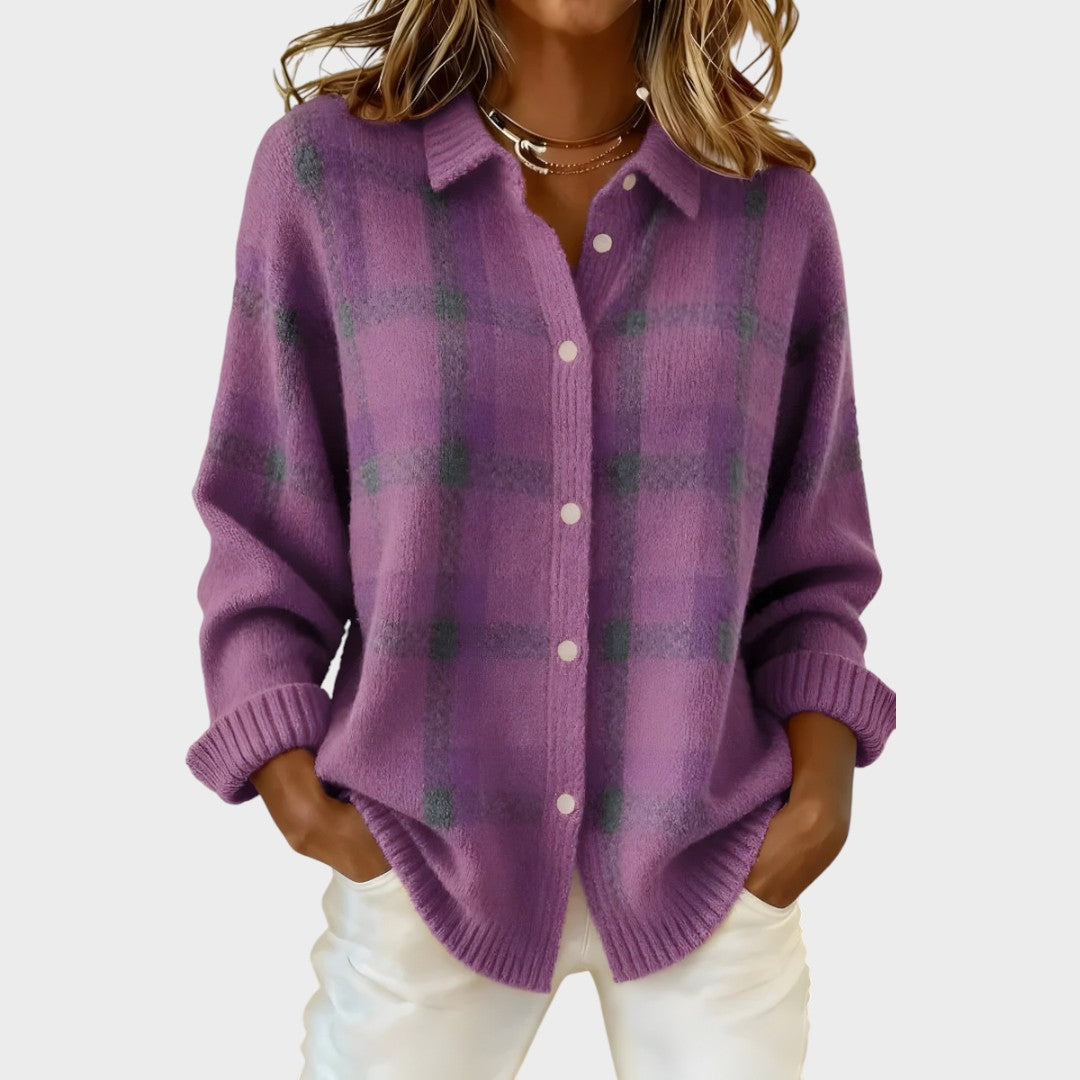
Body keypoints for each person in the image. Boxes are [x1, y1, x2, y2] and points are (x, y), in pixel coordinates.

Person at [185, 1, 897, 1077]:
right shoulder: (326, 177)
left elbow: (812, 558)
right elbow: (266, 508)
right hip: (426, 850)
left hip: (710, 855)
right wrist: (289, 779)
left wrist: (820, 797)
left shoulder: (773, 214)